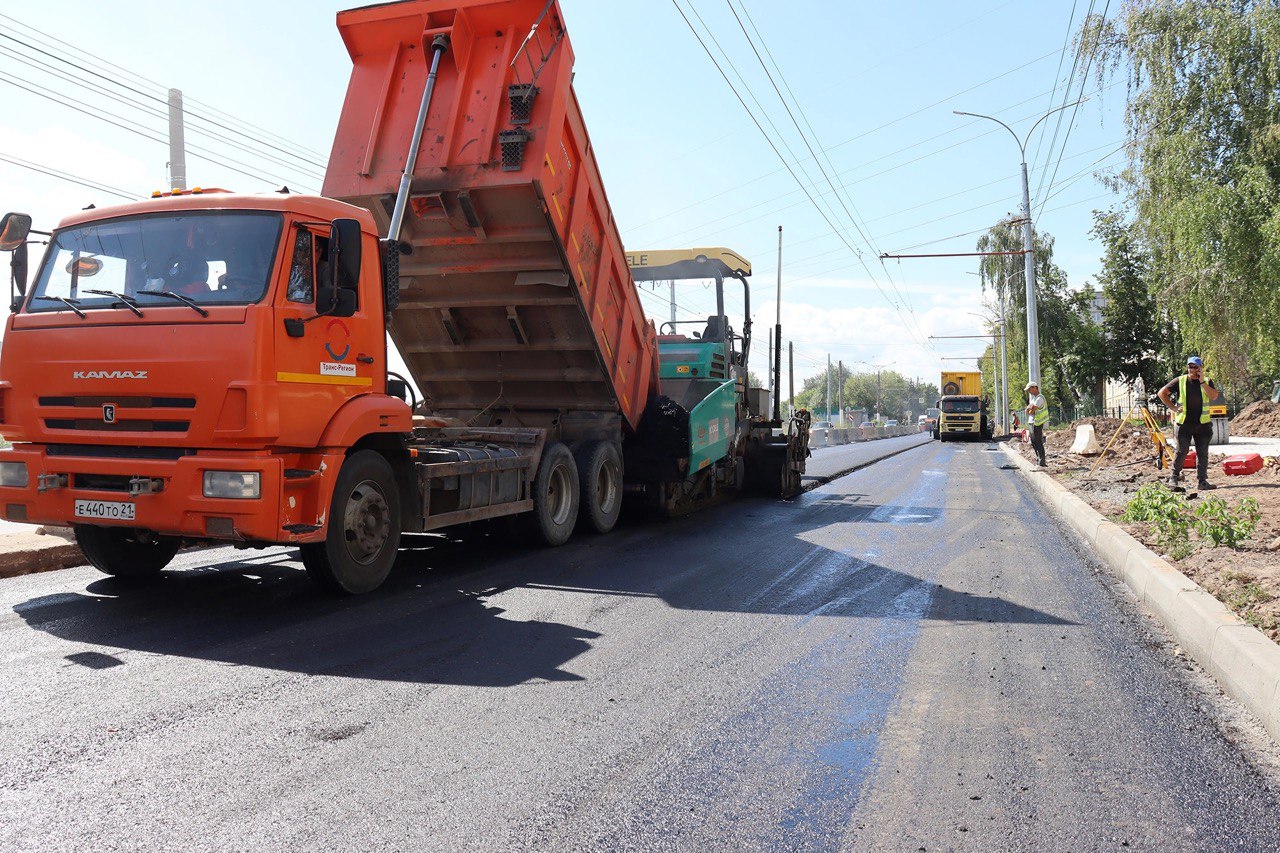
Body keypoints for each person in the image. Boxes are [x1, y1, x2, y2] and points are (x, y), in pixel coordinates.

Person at [1157, 355, 1221, 491]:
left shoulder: (1207, 381)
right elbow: (1162, 393)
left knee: (1202, 453)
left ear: (1201, 368)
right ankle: (1174, 478)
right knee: (1181, 451)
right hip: (1184, 425)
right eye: (1190, 367)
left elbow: (1214, 396)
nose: (1193, 369)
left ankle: (1202, 482)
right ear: (1187, 367)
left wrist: (1203, 382)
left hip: (1203, 425)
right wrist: (1173, 408)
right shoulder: (1180, 381)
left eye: (1196, 367)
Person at [1024, 381, 1048, 466]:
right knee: (1033, 442)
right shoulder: (1034, 399)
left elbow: (1032, 410)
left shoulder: (1039, 398)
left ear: (1035, 387)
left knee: (1038, 442)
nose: (1029, 391)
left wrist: (1030, 409)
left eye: (1030, 389)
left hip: (1037, 423)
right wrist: (1028, 409)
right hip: (1032, 423)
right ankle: (1039, 460)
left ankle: (1042, 463)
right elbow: (1027, 411)